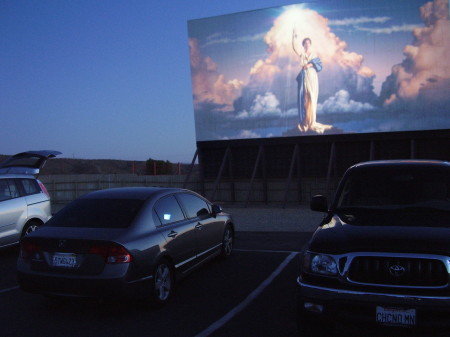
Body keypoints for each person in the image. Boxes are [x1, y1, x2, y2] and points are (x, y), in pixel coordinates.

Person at [292, 31, 331, 133]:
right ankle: (306, 121)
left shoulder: (314, 54)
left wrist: (310, 65)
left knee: (313, 98)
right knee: (305, 99)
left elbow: (319, 65)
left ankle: (312, 122)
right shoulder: (302, 54)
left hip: (312, 76)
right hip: (304, 76)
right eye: (305, 43)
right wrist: (294, 36)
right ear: (303, 45)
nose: (307, 44)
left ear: (310, 44)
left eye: (308, 43)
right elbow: (294, 47)